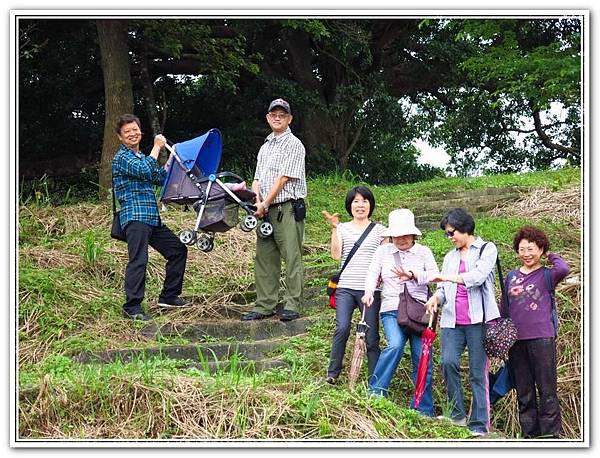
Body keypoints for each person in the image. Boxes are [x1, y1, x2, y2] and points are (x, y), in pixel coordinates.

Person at [425, 208, 500, 436]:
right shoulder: (450, 257)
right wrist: (436, 297)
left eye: (451, 233)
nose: (450, 238)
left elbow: (477, 278)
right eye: (447, 234)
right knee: (448, 362)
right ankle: (456, 415)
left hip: (479, 321)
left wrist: (445, 278)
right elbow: (443, 289)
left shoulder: (487, 249)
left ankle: (479, 424)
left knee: (478, 372)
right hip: (451, 321)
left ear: (464, 228)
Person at [112, 114, 190, 321]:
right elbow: (145, 170)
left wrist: (173, 163)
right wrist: (157, 147)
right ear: (120, 137)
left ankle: (169, 296)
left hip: (152, 218)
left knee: (177, 250)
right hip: (135, 217)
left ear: (141, 131)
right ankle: (132, 307)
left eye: (135, 129)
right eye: (127, 131)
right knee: (138, 260)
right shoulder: (122, 158)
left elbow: (159, 178)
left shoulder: (141, 157)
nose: (132, 134)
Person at [363, 209, 439, 417]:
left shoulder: (424, 252)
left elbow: (435, 277)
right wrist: (369, 291)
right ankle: (376, 393)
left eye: (405, 235)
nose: (401, 239)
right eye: (397, 235)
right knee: (395, 345)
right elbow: (372, 273)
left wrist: (414, 275)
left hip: (419, 312)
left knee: (422, 357)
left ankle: (423, 408)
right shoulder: (383, 252)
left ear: (414, 235)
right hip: (391, 309)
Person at [241, 99, 307, 322]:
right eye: (273, 114)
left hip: (286, 208)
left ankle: (292, 303)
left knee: (291, 256)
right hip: (264, 210)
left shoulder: (294, 144)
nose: (277, 118)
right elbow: (257, 178)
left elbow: (284, 179)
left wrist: (265, 203)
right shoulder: (265, 146)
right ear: (268, 117)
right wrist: (257, 201)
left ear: (290, 119)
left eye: (282, 115)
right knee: (265, 258)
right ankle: (264, 305)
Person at [505, 226, 569, 438]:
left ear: (540, 250)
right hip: (516, 340)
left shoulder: (548, 275)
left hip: (542, 338)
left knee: (547, 389)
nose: (526, 254)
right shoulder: (511, 276)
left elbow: (564, 269)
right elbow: (505, 306)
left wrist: (550, 254)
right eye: (522, 249)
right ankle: (529, 435)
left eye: (531, 249)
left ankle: (550, 435)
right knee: (524, 391)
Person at [321, 186, 387, 385]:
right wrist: (334, 228)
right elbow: (335, 255)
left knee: (372, 335)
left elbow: (384, 258)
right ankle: (333, 373)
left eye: (365, 201)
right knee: (342, 328)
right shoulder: (342, 228)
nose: (360, 205)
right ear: (350, 205)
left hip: (370, 290)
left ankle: (374, 380)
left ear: (371, 205)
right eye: (356, 201)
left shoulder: (380, 230)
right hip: (346, 288)